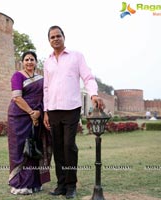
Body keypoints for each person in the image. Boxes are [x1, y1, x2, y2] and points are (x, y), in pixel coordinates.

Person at [43, 25, 104, 199]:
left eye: (58, 36)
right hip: (53, 109)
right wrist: (46, 111)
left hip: (71, 108)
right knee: (58, 148)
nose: (55, 39)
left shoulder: (76, 56)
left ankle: (71, 185)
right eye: (52, 37)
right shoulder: (47, 61)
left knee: (69, 146)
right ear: (49, 41)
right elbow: (46, 88)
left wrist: (93, 94)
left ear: (64, 37)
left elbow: (88, 77)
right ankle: (61, 184)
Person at [7, 51, 52, 195]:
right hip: (18, 117)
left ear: (36, 62)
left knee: (34, 148)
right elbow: (17, 98)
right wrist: (31, 113)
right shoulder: (17, 76)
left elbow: (46, 97)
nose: (29, 62)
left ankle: (34, 182)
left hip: (37, 118)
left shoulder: (41, 79)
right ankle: (19, 184)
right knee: (20, 149)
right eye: (26, 59)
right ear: (22, 62)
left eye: (32, 59)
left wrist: (39, 113)